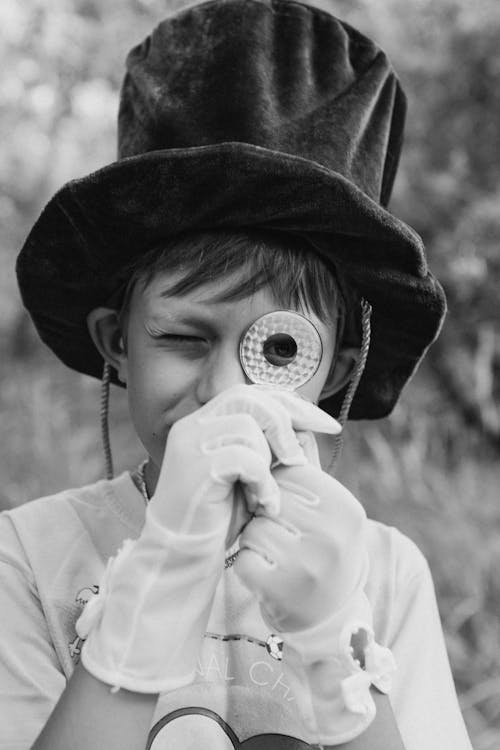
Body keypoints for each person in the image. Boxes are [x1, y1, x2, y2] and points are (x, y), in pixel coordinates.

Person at [1, 1, 472, 748]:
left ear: (335, 370)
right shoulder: (27, 556)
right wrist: (154, 591)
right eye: (185, 338)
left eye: (278, 351)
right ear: (116, 343)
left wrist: (334, 642)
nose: (227, 391)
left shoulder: (383, 574)